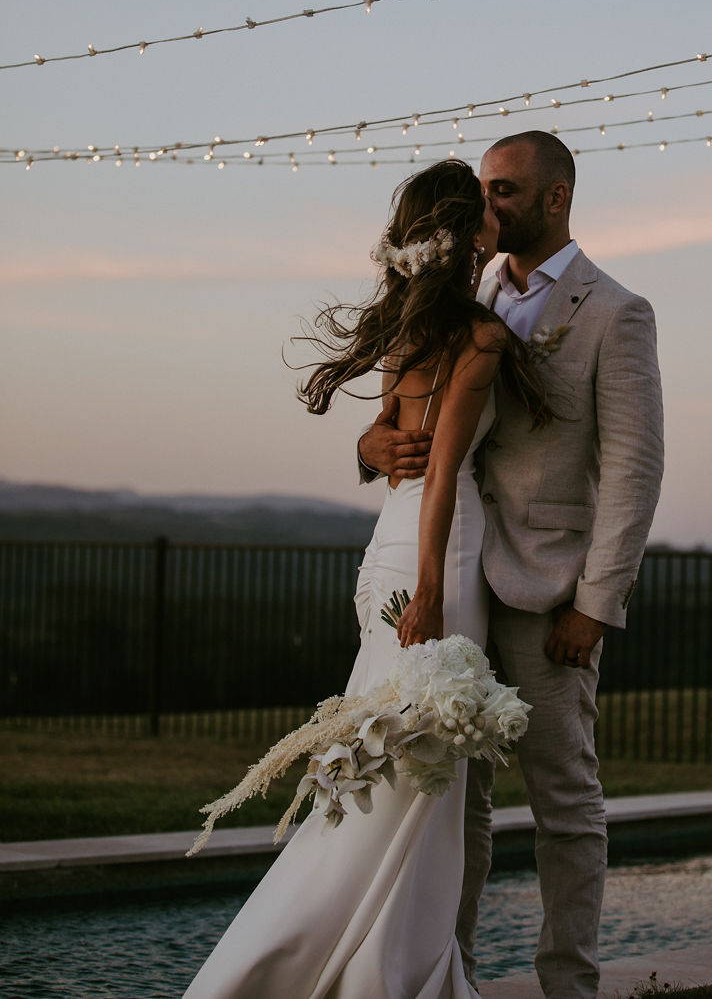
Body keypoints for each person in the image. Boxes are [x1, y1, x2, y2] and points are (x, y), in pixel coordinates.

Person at [183, 159, 551, 999]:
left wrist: (373, 456)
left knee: (396, 754)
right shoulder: (482, 340)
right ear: (465, 236)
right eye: (483, 208)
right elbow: (442, 475)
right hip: (434, 552)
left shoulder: (405, 335)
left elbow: (389, 450)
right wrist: (429, 590)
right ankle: (387, 964)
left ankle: (379, 953)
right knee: (425, 765)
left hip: (384, 543)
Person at [359, 131, 664, 999]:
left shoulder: (616, 312)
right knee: (459, 799)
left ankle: (568, 983)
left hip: (548, 590)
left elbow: (636, 469)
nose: (485, 210)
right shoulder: (471, 294)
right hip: (457, 580)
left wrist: (596, 605)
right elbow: (421, 430)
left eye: (504, 192)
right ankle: (450, 971)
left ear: (556, 197)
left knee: (564, 802)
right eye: (485, 192)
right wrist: (368, 442)